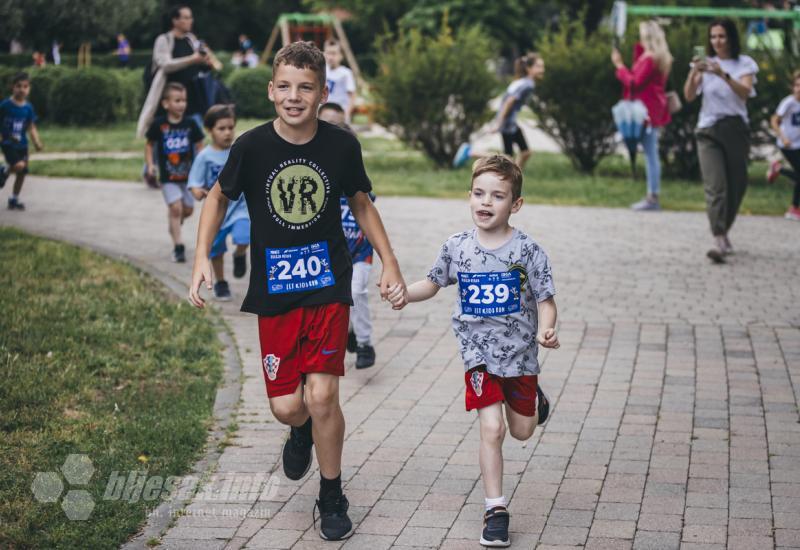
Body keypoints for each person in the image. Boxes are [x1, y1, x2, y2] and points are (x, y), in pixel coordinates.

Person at [188, 41, 408, 541]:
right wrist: (202, 256)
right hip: (276, 291)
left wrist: (389, 264)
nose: (294, 96)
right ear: (270, 91)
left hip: (327, 283)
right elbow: (218, 199)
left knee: (325, 393)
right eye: (285, 86)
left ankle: (331, 493)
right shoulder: (251, 146)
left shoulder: (340, 146)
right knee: (289, 405)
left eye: (305, 87)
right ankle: (300, 429)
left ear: (322, 92)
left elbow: (361, 203)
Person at [392, 155, 557, 548]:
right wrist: (403, 295)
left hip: (520, 356)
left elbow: (546, 298)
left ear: (515, 205)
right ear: (469, 196)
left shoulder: (528, 251)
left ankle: (533, 400)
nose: (486, 202)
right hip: (477, 355)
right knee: (492, 428)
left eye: (497, 196)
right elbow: (432, 284)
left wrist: (547, 327)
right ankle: (495, 509)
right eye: (479, 194)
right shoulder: (458, 247)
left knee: (521, 430)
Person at [684, 19, 758, 264]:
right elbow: (689, 96)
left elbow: (745, 93)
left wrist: (722, 74)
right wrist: (696, 72)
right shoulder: (704, 65)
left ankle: (724, 230)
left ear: (731, 38)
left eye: (722, 36)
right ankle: (718, 237)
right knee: (716, 186)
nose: (717, 41)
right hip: (708, 130)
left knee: (737, 184)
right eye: (713, 37)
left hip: (735, 128)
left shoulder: (744, 63)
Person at [318, 102, 377, 369]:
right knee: (337, 299)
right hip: (331, 255)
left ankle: (365, 344)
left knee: (357, 291)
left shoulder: (357, 184)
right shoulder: (319, 185)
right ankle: (350, 332)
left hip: (360, 253)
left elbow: (367, 209)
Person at [188, 104, 249, 300]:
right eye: (221, 129)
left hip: (241, 207)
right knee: (216, 249)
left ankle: (240, 253)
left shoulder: (238, 151)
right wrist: (197, 192)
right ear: (209, 130)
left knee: (244, 236)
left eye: (231, 127)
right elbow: (195, 183)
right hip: (217, 212)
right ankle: (221, 282)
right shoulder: (204, 157)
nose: (227, 133)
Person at [612, 21, 673, 211]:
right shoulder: (659, 57)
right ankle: (652, 195)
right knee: (650, 153)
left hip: (643, 112)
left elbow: (633, 81)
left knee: (650, 155)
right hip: (652, 109)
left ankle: (653, 197)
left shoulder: (649, 59)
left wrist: (619, 65)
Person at [453, 54, 546, 170]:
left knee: (526, 152)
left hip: (510, 121)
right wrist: (499, 122)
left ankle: (516, 178)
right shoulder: (527, 85)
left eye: (542, 66)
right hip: (507, 123)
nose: (542, 70)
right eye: (538, 66)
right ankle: (471, 152)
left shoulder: (521, 81)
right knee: (506, 159)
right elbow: (509, 102)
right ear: (529, 68)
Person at [145, 82, 204, 263]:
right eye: (177, 100)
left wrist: (202, 164)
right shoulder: (159, 125)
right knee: (176, 208)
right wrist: (150, 164)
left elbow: (199, 144)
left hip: (188, 177)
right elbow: (149, 145)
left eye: (184, 100)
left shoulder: (190, 124)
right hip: (168, 177)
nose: (181, 104)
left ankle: (174, 223)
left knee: (188, 210)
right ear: (166, 104)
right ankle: (178, 246)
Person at [137, 4, 216, 137]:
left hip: (192, 98)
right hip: (169, 98)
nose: (190, 20)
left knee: (195, 138)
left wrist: (205, 62)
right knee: (166, 138)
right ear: (175, 21)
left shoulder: (190, 39)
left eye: (190, 17)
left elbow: (197, 65)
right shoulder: (164, 40)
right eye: (186, 17)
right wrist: (192, 59)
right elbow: (165, 64)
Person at [0, 72, 43, 211]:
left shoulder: (28, 108)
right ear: (13, 87)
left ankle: (14, 199)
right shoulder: (5, 105)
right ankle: (4, 169)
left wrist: (36, 142)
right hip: (8, 143)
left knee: (22, 172)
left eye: (25, 86)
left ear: (29, 89)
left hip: (22, 144)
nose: (22, 89)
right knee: (18, 166)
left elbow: (31, 126)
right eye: (18, 86)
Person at [767, 70, 800, 220]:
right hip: (787, 144)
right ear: (793, 87)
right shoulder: (788, 102)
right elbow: (774, 120)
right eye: (797, 85)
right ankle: (794, 208)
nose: (799, 89)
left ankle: (778, 169)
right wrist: (783, 136)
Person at [323, 39, 357, 122]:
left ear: (341, 55)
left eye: (334, 53)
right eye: (328, 53)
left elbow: (352, 96)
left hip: (339, 114)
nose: (331, 57)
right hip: (324, 113)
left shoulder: (346, 73)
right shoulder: (321, 71)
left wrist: (347, 114)